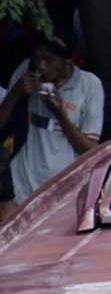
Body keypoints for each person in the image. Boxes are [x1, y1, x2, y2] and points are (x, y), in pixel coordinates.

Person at [1, 37, 103, 211]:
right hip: (21, 186)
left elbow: (91, 150)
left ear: (67, 60)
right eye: (38, 58)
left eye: (48, 59)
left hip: (63, 192)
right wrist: (16, 93)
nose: (41, 66)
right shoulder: (27, 70)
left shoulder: (89, 85)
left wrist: (60, 114)